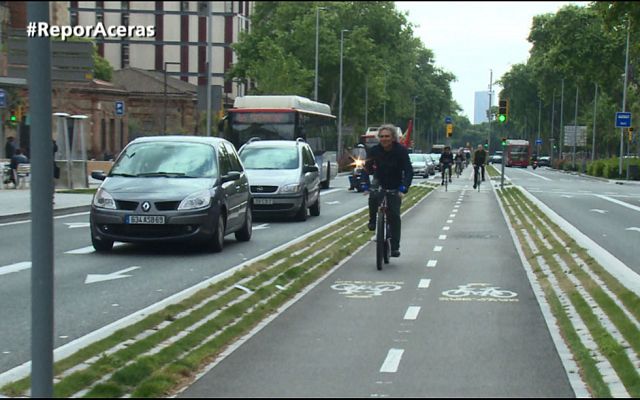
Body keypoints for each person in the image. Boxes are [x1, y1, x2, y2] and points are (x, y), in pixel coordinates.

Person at [362, 124, 413, 258]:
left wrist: (404, 188)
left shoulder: (401, 151)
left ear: (393, 138)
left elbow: (408, 171)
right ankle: (373, 220)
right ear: (379, 138)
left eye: (387, 136)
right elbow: (366, 168)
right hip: (380, 180)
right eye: (382, 136)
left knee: (394, 216)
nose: (384, 139)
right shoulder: (374, 150)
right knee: (373, 196)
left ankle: (395, 246)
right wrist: (366, 185)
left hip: (395, 183)